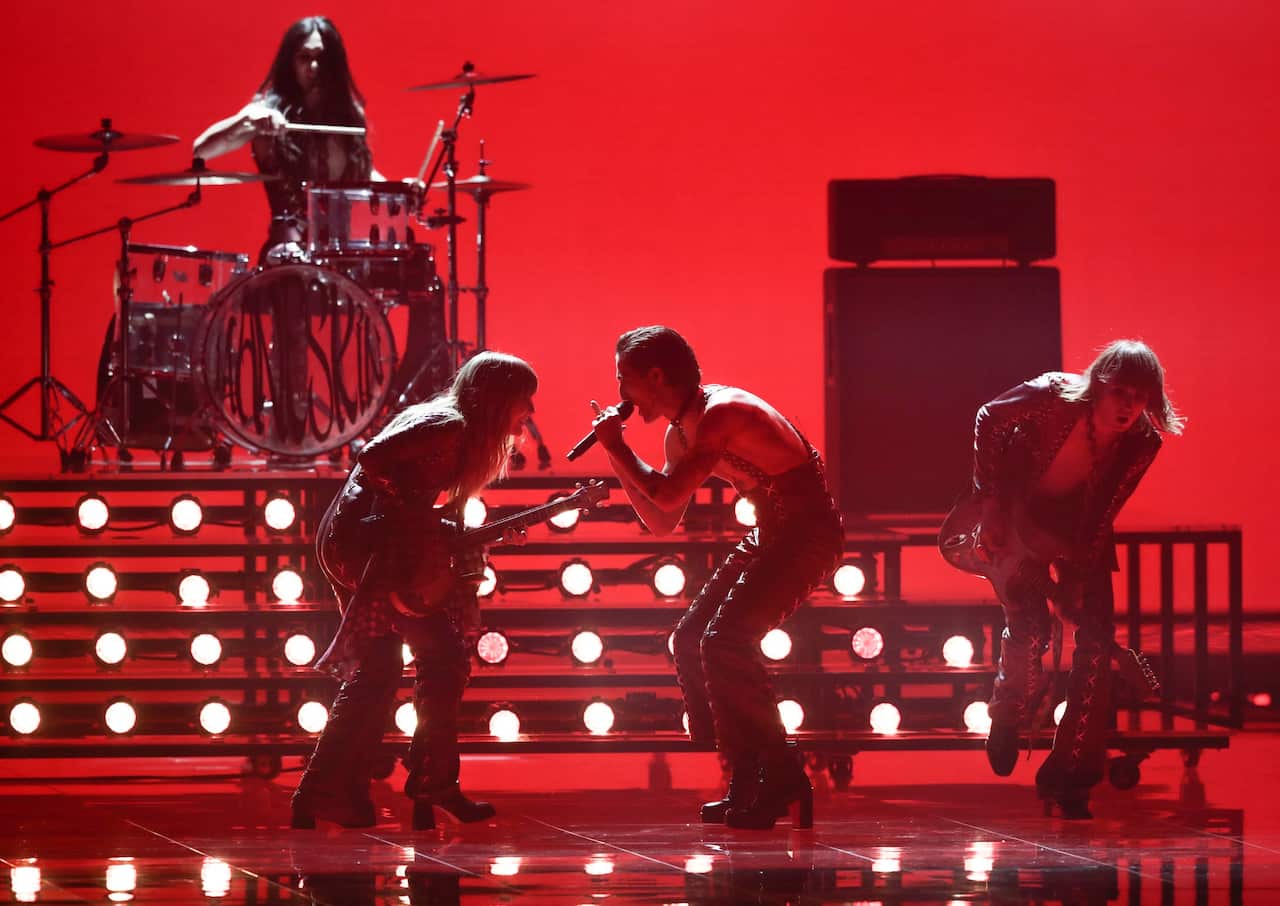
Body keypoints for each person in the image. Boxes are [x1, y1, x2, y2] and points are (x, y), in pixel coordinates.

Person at [587, 326, 844, 830]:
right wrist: (615, 454)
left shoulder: (721, 414)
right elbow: (662, 519)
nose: (622, 394)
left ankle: (783, 774)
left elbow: (662, 495)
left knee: (725, 642)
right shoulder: (678, 432)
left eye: (626, 380)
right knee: (689, 639)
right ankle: (746, 777)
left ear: (656, 376)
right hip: (772, 534)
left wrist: (618, 448)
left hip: (806, 534)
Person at [291, 351, 537, 831]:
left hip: (368, 547)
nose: (528, 413)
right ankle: (422, 785)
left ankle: (334, 792)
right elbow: (373, 460)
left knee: (390, 664)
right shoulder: (449, 426)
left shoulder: (449, 427)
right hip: (369, 552)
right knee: (434, 659)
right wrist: (416, 521)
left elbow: (405, 494)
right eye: (523, 401)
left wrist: (445, 527)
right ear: (497, 399)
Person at [971, 339, 1184, 818]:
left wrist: (1074, 582)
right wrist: (990, 503)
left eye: (1141, 394)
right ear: (1098, 386)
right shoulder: (1051, 395)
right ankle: (1008, 713)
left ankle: (1072, 777)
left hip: (1079, 536)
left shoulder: (1143, 443)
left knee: (1095, 645)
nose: (1130, 405)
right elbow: (989, 416)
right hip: (1017, 521)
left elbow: (1104, 512)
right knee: (1030, 629)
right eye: (1120, 391)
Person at [192, 15, 387, 264]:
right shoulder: (266, 113)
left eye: (322, 59)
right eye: (304, 57)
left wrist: (401, 190)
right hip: (285, 256)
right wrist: (247, 119)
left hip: (342, 255)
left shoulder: (348, 116)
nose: (314, 67)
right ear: (290, 62)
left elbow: (363, 173)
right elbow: (201, 149)